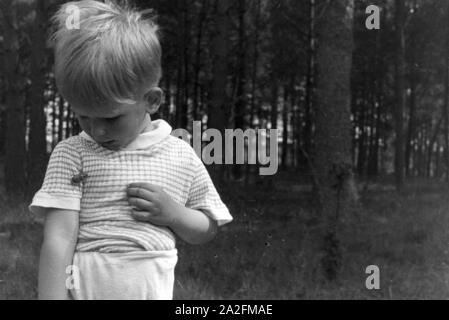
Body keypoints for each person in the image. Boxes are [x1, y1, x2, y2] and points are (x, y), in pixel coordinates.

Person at [29, 0, 232, 300]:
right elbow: (58, 239)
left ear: (151, 100)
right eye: (83, 116)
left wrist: (174, 214)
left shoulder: (179, 154)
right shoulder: (72, 154)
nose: (97, 130)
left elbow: (206, 227)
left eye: (111, 118)